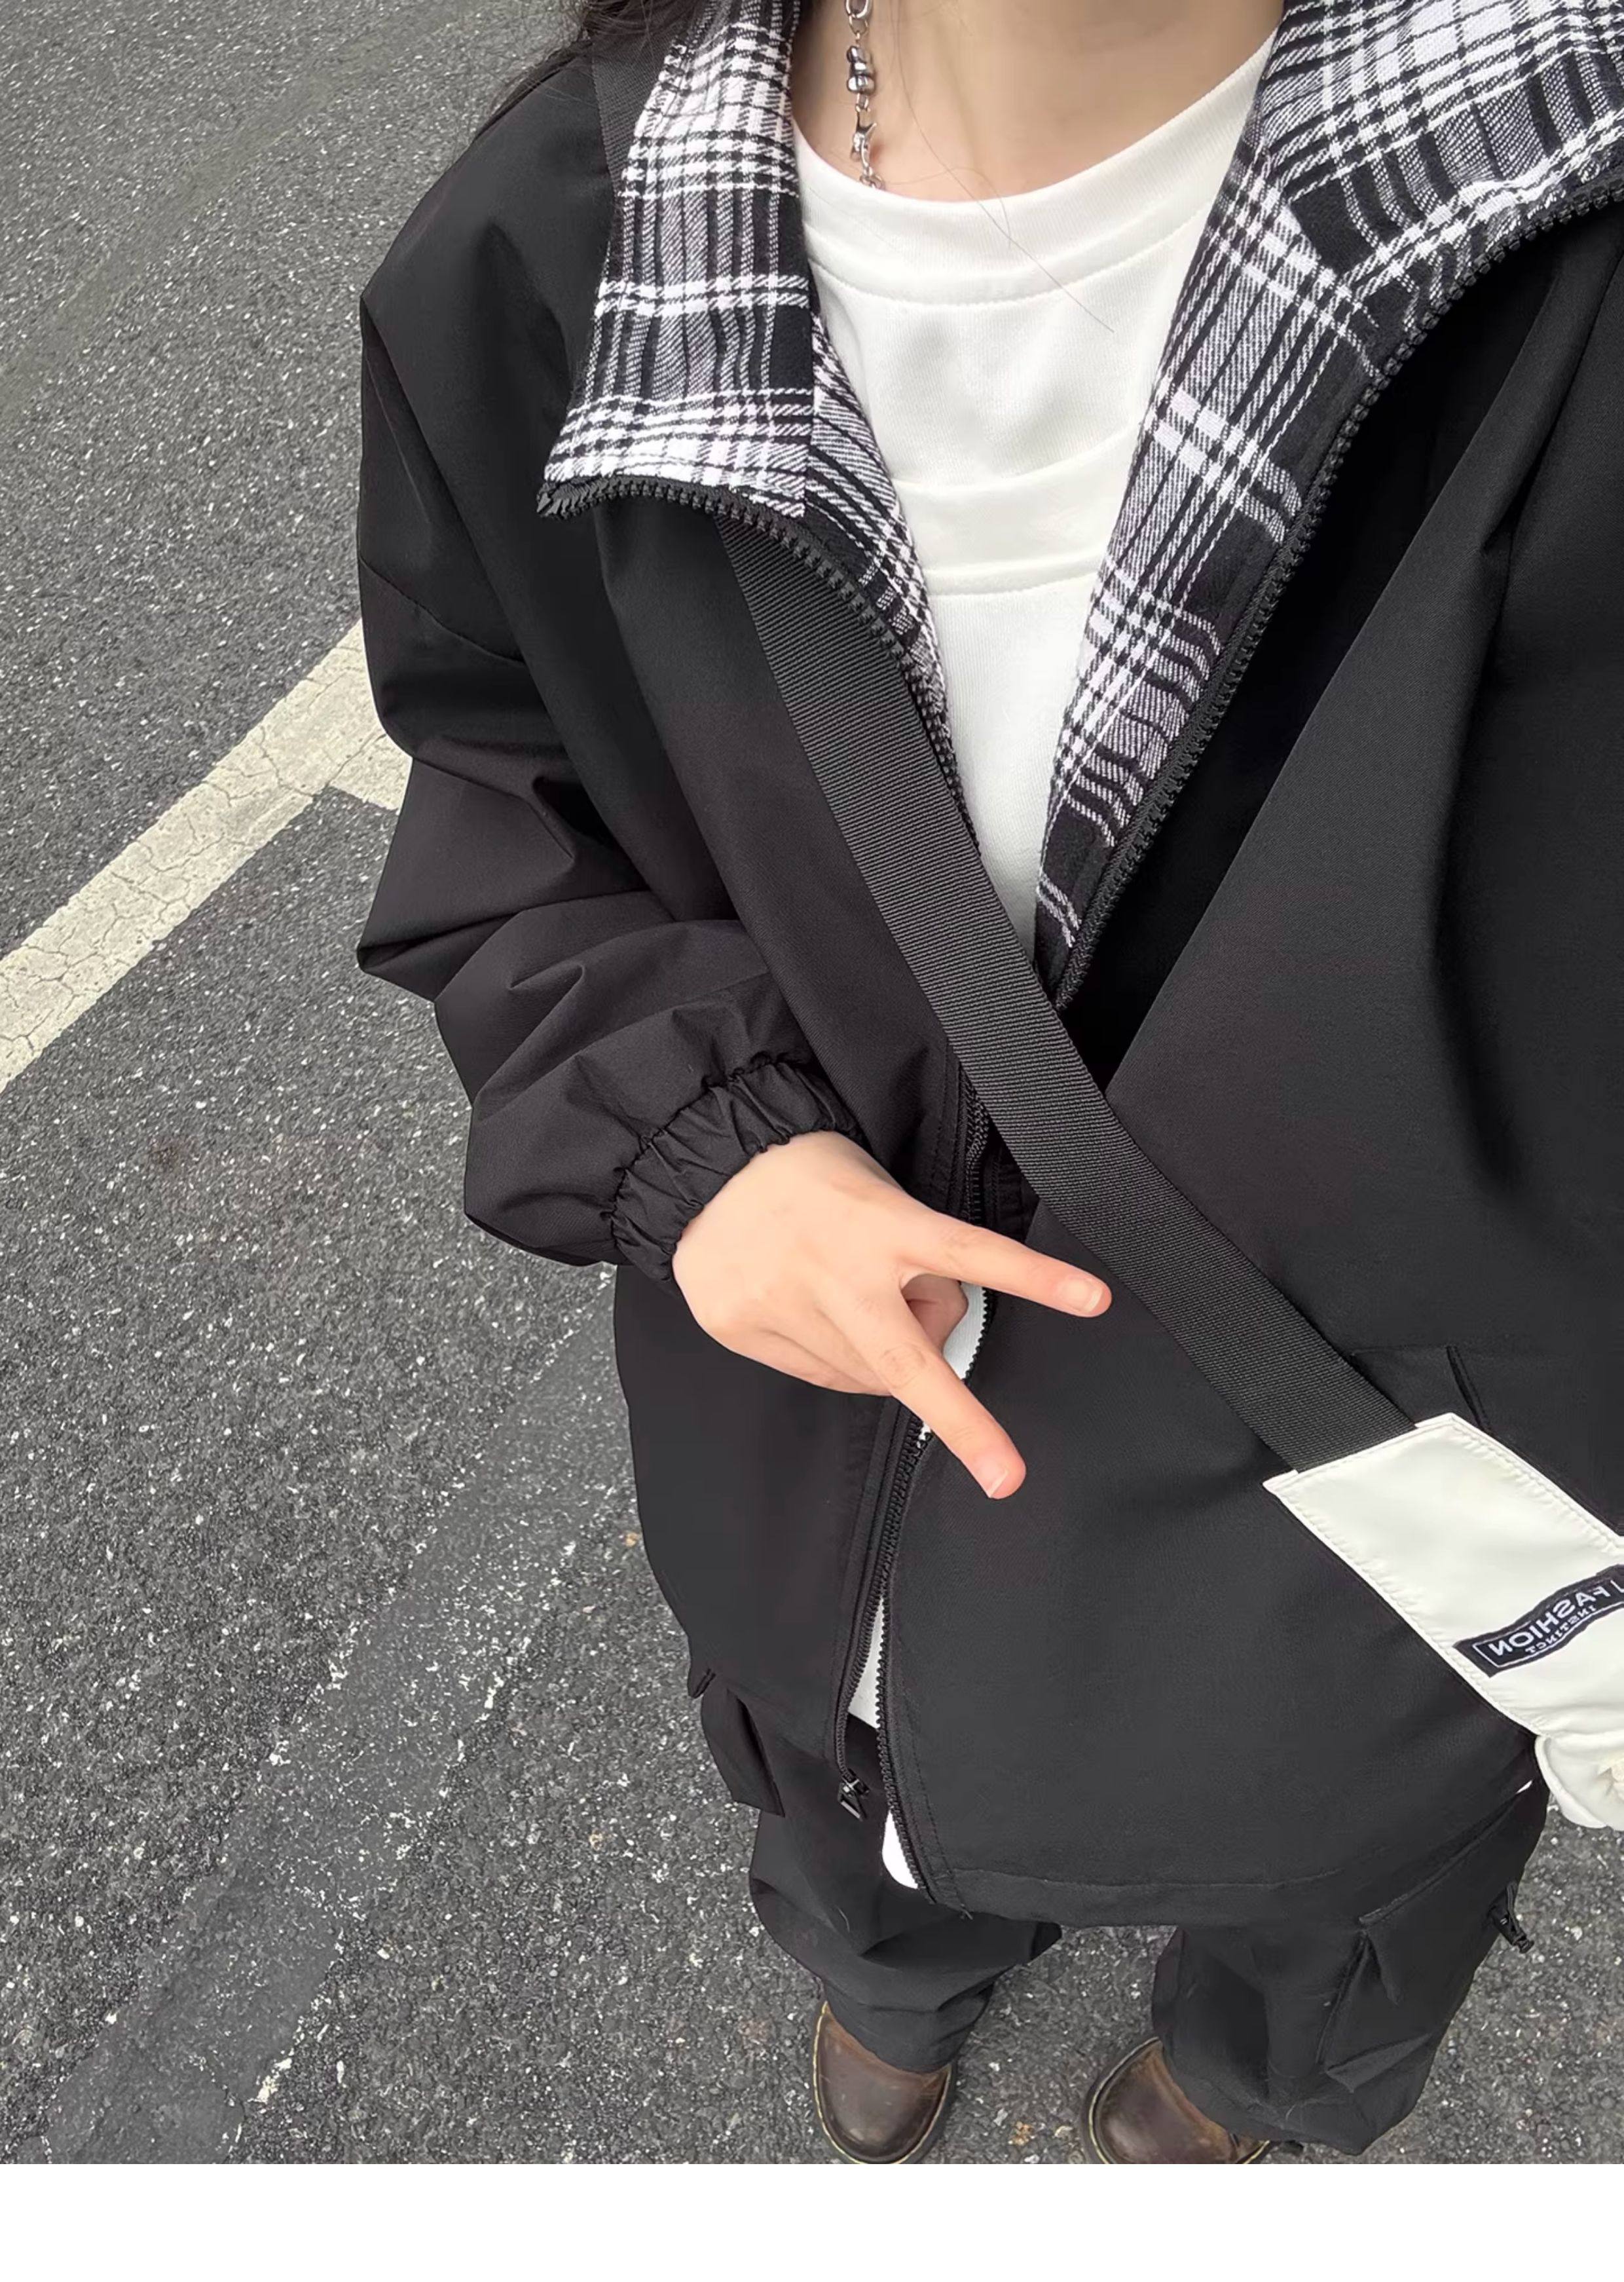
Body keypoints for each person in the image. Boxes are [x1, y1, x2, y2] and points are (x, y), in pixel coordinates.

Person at [354, 0, 1624, 2162]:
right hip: (835, 1498)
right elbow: (503, 778)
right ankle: (896, 1975)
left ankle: (1243, 2079)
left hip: (1357, 1561)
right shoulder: (565, 243)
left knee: (1326, 1908)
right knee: (855, 1818)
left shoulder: (1562, 255)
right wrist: (700, 1145)